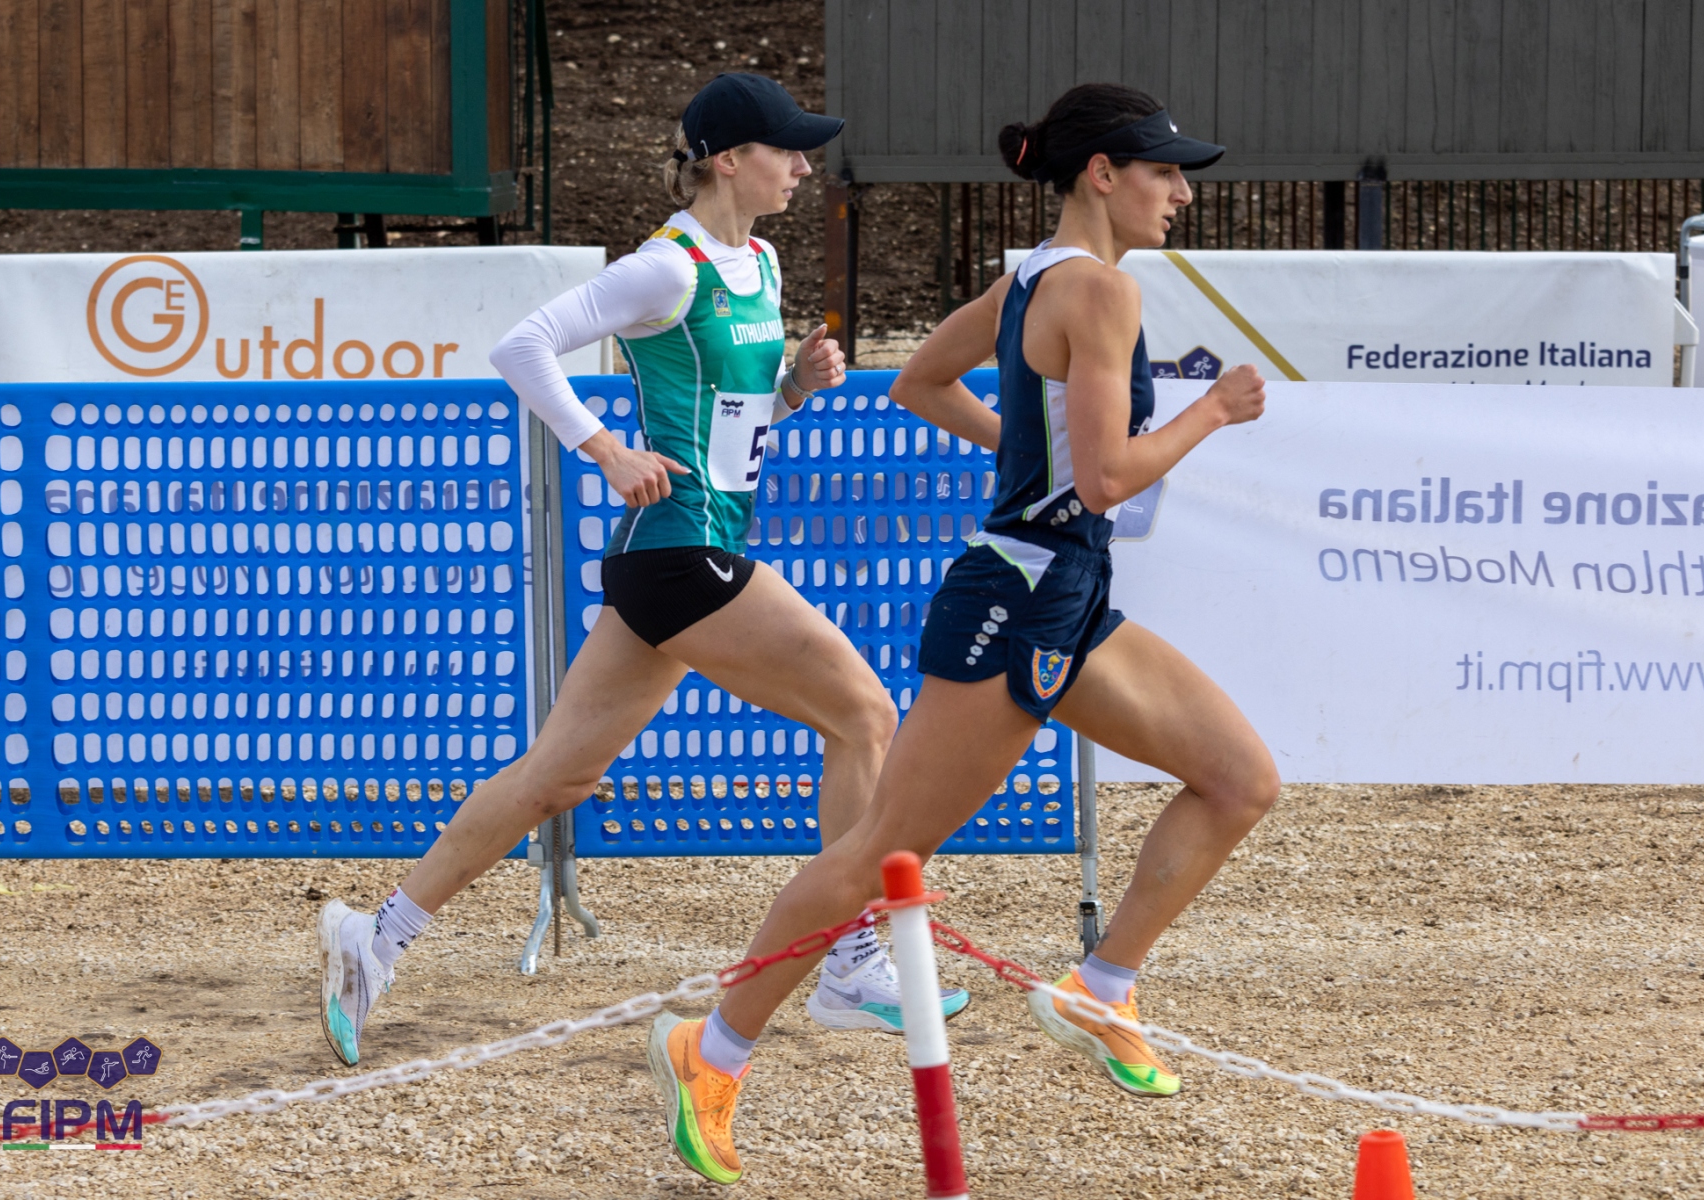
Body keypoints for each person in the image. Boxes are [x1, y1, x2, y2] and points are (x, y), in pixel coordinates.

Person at [648, 82, 1281, 1183]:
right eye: (1165, 171)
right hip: (1019, 600)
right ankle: (711, 1048)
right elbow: (1108, 478)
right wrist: (1210, 411)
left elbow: (923, 384)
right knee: (881, 853)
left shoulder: (1032, 276)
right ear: (1101, 174)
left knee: (1239, 780)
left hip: (1061, 587)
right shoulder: (1098, 291)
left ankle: (1100, 990)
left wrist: (1025, 466)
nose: (1182, 193)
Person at [315, 73, 969, 1096]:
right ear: (727, 160)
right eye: (787, 150)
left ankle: (376, 936)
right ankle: (849, 962)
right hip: (679, 549)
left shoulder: (758, 262)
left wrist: (793, 390)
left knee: (555, 777)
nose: (805, 167)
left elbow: (727, 421)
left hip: (674, 549)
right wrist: (605, 447)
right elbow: (520, 346)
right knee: (864, 715)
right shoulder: (666, 267)